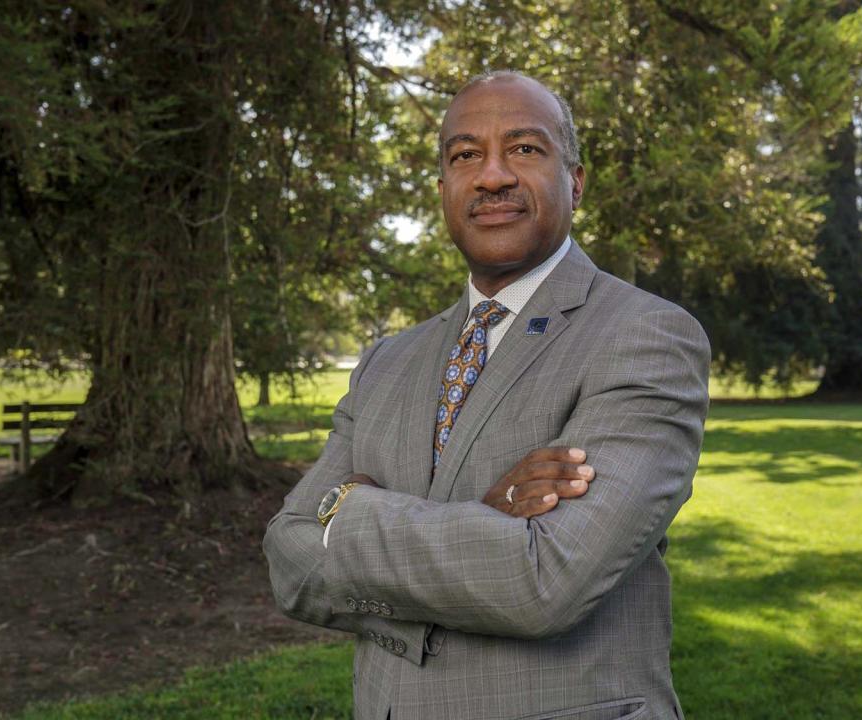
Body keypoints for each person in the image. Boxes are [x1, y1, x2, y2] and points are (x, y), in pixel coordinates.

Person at [264, 70, 710, 720]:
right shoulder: (388, 361)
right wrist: (483, 517)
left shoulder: (645, 337)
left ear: (576, 180)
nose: (492, 175)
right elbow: (287, 562)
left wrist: (347, 512)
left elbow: (545, 581)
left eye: (525, 149)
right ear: (444, 186)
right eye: (465, 155)